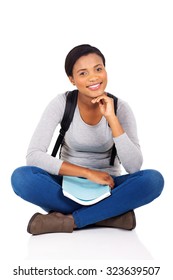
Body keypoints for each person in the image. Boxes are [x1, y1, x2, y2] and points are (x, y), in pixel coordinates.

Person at [11, 44, 164, 235]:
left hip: (110, 187)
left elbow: (134, 167)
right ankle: (109, 215)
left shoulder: (120, 108)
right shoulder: (62, 103)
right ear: (72, 80)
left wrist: (112, 119)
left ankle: (71, 221)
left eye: (98, 69)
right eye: (83, 73)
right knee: (22, 178)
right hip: (66, 185)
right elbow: (34, 156)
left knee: (153, 180)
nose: (93, 77)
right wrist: (87, 173)